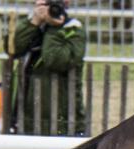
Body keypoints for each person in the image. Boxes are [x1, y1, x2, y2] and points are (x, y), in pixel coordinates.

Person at [5, 0, 87, 138]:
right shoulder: (34, 26)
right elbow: (12, 49)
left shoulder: (73, 29)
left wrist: (54, 29)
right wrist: (33, 23)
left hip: (63, 122)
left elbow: (56, 61)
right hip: (26, 118)